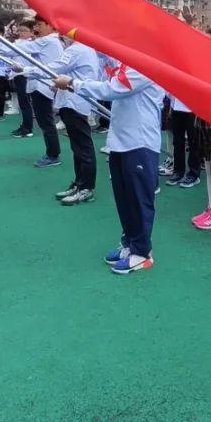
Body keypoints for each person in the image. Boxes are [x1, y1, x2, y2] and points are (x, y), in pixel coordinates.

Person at [55, 61, 165, 275]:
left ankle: (142, 253)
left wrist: (73, 84)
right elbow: (106, 78)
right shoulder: (127, 63)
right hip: (121, 140)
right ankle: (129, 243)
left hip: (140, 142)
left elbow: (113, 89)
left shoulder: (146, 64)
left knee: (138, 199)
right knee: (124, 198)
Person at [51, 36, 101, 206]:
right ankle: (79, 183)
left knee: (83, 146)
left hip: (75, 102)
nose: (62, 35)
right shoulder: (84, 48)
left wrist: (26, 70)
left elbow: (52, 67)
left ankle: (86, 188)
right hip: (72, 101)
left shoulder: (77, 49)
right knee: (77, 146)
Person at [21, 19, 66, 169]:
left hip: (43, 86)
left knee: (46, 122)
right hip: (42, 85)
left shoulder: (49, 41)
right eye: (36, 25)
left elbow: (23, 48)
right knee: (45, 122)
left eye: (39, 25)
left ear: (50, 26)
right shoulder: (49, 41)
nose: (36, 28)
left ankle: (53, 154)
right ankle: (52, 152)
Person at [166, 96, 202, 188]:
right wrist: (171, 105)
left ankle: (194, 174)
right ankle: (178, 171)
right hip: (176, 107)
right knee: (177, 141)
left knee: (193, 141)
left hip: (193, 107)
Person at [10, 24, 35, 138]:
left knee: (25, 102)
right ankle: (25, 125)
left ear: (31, 33)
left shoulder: (30, 44)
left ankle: (28, 128)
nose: (21, 33)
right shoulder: (18, 43)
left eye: (25, 31)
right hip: (17, 74)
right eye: (20, 31)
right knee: (22, 102)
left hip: (24, 74)